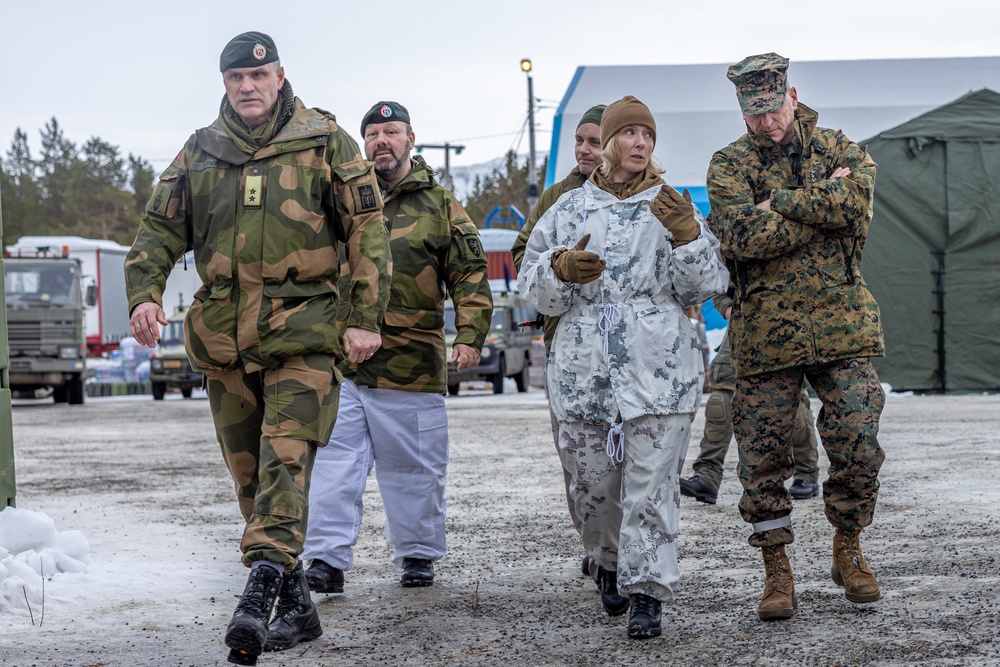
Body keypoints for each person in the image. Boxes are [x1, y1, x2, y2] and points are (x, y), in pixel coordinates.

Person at [124, 32, 390, 665]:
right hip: (225, 339)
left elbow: (367, 230)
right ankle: (298, 610)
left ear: (278, 76)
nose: (247, 86)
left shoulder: (324, 141)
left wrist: (365, 315)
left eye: (257, 74)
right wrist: (144, 294)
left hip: (307, 333)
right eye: (236, 77)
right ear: (225, 83)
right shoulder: (200, 150)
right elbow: (159, 229)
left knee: (286, 460)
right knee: (251, 479)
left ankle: (258, 594)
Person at [518, 96, 729, 639]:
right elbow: (533, 285)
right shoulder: (568, 210)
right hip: (584, 364)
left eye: (648, 135)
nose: (641, 143)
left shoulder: (671, 205)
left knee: (651, 484)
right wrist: (560, 270)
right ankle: (606, 559)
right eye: (630, 133)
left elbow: (706, 285)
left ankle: (647, 590)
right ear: (611, 143)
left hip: (658, 361)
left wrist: (688, 238)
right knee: (591, 483)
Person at [706, 53, 886, 621]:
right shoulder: (728, 164)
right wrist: (816, 209)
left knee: (859, 441)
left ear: (792, 95)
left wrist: (778, 203)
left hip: (842, 325)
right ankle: (776, 570)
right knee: (761, 458)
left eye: (773, 110)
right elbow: (740, 235)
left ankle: (848, 547)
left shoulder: (839, 149)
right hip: (763, 335)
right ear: (742, 110)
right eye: (753, 114)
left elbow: (856, 203)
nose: (766, 124)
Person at [301, 101, 492, 594]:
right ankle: (325, 559)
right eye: (373, 133)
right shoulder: (341, 196)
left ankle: (417, 554)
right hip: (342, 361)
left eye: (392, 131)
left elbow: (469, 274)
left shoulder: (440, 203)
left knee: (414, 470)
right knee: (333, 466)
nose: (381, 141)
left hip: (411, 363)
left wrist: (469, 336)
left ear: (412, 139)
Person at [511, 103, 605, 581]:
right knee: (579, 455)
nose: (586, 150)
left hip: (632, 352)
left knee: (637, 456)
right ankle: (596, 546)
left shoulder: (651, 194)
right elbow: (522, 254)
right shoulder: (556, 196)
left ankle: (633, 550)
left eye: (596, 140)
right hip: (569, 345)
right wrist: (560, 264)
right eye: (581, 140)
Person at [680, 295, 821, 505]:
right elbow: (720, 284)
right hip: (744, 321)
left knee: (792, 400)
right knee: (720, 401)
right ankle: (707, 476)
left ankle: (806, 475)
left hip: (787, 320)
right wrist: (728, 308)